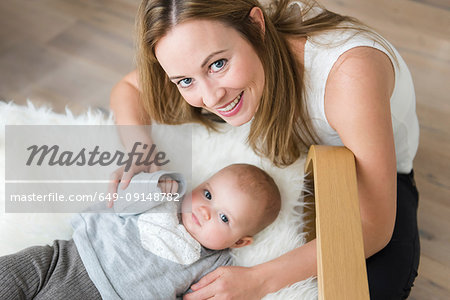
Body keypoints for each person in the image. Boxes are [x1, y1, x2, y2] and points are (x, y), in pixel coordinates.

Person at [109, 0, 420, 299]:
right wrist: (141, 150)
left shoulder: (350, 74)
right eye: (185, 80)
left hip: (373, 170)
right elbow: (130, 88)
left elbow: (374, 225)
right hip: (306, 158)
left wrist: (259, 280)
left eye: (218, 64)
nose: (212, 98)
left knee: (376, 288)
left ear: (257, 26)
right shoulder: (203, 61)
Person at [0, 164, 281, 299]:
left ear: (240, 241)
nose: (205, 210)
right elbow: (119, 200)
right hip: (66, 259)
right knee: (12, 274)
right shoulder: (166, 196)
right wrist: (156, 185)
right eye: (207, 193)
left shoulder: (216, 264)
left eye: (223, 217)